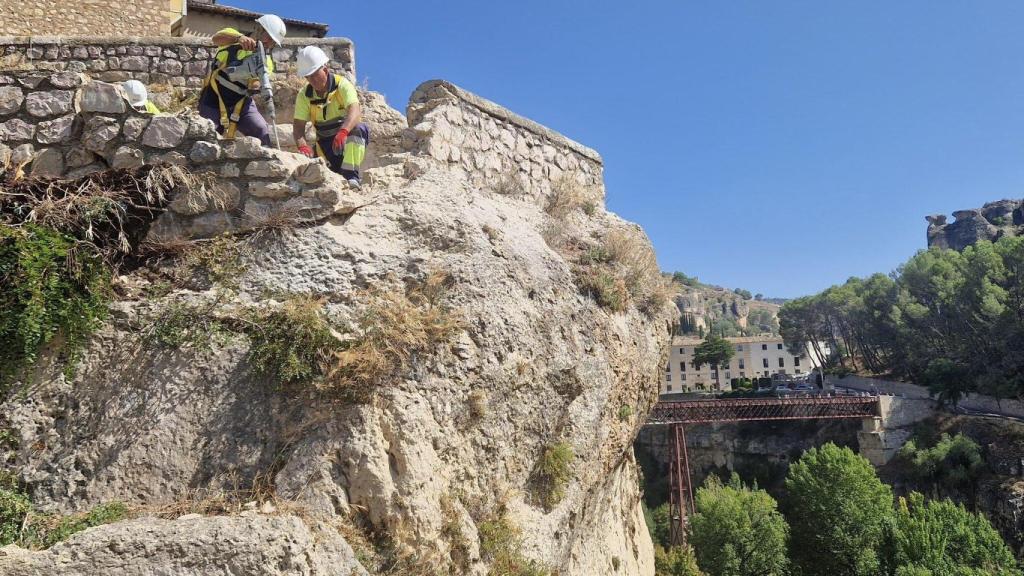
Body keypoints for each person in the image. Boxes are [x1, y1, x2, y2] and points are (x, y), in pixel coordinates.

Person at [198, 14, 287, 146]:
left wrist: (256, 82)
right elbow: (216, 39)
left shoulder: (266, 61)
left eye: (273, 41)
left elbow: (257, 84)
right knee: (209, 134)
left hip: (241, 104)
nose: (269, 43)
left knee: (261, 130)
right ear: (258, 29)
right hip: (213, 99)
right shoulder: (232, 38)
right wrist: (239, 38)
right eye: (268, 37)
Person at [292, 45, 369, 188]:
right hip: (324, 147)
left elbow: (355, 110)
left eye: (315, 75)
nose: (312, 80)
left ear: (325, 70)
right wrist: (303, 146)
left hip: (344, 141)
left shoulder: (342, 85)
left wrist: (344, 131)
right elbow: (298, 126)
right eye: (308, 77)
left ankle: (351, 177)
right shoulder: (304, 95)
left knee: (359, 129)